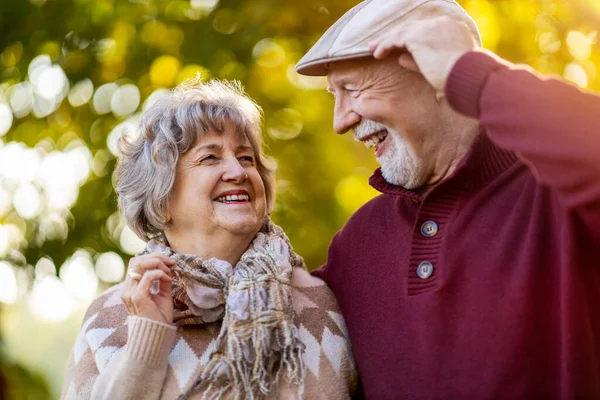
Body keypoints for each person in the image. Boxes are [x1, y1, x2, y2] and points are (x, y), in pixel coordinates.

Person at [295, 0, 600, 398]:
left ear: (433, 75)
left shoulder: (559, 196)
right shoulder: (357, 243)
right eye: (333, 95)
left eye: (352, 89)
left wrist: (475, 77)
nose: (341, 121)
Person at [61, 79, 357, 400]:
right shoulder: (110, 317)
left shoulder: (319, 302)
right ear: (161, 197)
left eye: (246, 158)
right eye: (210, 158)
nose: (238, 172)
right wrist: (146, 344)